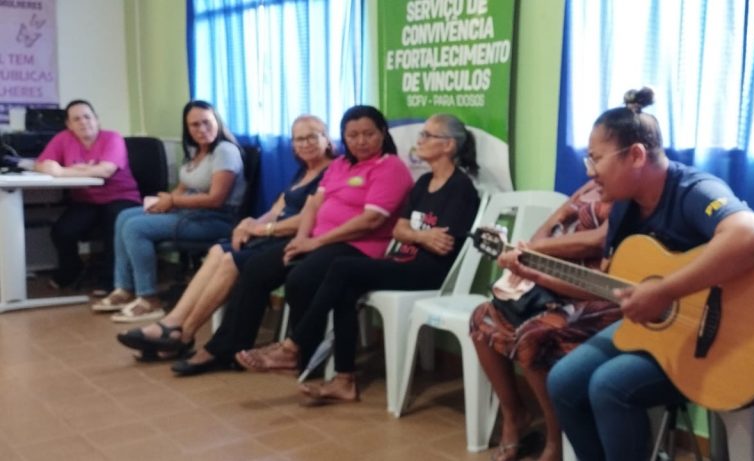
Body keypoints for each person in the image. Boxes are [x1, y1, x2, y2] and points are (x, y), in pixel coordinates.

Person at [543, 87, 754, 461]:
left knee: (608, 386)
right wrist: (534, 268)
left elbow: (751, 236)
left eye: (596, 159)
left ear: (635, 155)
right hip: (657, 332)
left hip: (718, 341)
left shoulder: (694, 189)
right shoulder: (622, 208)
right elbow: (607, 285)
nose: (590, 172)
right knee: (563, 381)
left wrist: (665, 290)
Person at [234, 113, 482, 404]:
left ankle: (293, 347)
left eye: (428, 136)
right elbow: (401, 230)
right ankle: (344, 380)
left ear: (448, 146)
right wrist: (419, 235)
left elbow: (442, 244)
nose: (420, 141)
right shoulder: (425, 181)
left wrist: (414, 235)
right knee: (346, 287)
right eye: (422, 134)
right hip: (403, 260)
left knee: (342, 268)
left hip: (429, 271)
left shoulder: (461, 188)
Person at [171, 105, 413, 377]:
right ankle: (225, 349)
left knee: (300, 279)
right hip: (319, 242)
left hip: (358, 246)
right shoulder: (341, 165)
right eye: (352, 135)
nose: (360, 141)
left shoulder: (390, 167)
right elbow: (313, 205)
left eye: (368, 134)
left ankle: (300, 355)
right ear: (343, 137)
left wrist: (315, 243)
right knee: (255, 268)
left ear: (382, 133)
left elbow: (370, 221)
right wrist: (299, 241)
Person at [113, 114, 334, 359]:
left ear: (327, 139)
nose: (305, 144)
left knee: (229, 259)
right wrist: (249, 224)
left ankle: (181, 333)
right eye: (299, 139)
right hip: (270, 233)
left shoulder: (331, 173)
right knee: (218, 251)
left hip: (288, 239)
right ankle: (174, 323)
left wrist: (262, 230)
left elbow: (310, 219)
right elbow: (275, 210)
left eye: (312, 137)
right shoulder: (303, 171)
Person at [468, 179, 619, 461]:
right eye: (590, 158)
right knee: (482, 318)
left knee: (535, 336)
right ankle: (514, 416)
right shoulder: (586, 187)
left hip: (599, 295)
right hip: (555, 286)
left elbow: (598, 243)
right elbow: (539, 240)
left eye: (598, 157)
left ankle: (555, 438)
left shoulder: (627, 198)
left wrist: (539, 254)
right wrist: (545, 232)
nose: (593, 166)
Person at [91, 100, 247, 323]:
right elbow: (183, 187)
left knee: (136, 227)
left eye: (206, 122)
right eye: (194, 125)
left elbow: (215, 199)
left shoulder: (225, 151)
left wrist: (173, 201)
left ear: (217, 122)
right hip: (190, 213)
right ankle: (124, 289)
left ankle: (148, 299)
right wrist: (163, 201)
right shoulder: (197, 152)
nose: (201, 129)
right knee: (125, 216)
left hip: (216, 219)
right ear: (187, 129)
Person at [34, 100, 141, 292]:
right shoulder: (63, 139)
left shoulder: (112, 138)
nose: (83, 122)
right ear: (69, 125)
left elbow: (106, 171)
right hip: (87, 200)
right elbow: (41, 164)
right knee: (62, 231)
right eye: (76, 119)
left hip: (121, 196)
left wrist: (63, 172)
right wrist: (52, 167)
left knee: (114, 228)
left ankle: (111, 282)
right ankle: (71, 269)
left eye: (87, 117)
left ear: (97, 120)